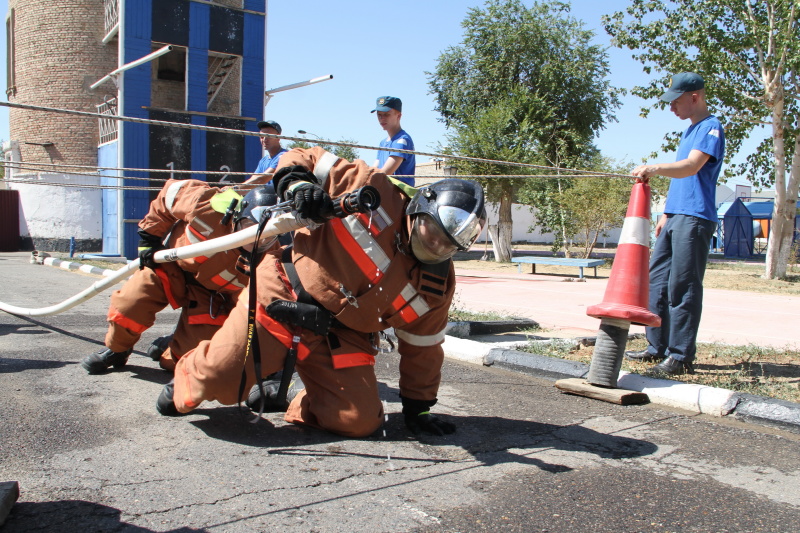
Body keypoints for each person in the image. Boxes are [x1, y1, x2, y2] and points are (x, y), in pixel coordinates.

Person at [156, 147, 486, 440]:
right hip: (285, 291)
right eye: (433, 234)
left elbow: (423, 346)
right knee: (223, 379)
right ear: (420, 208)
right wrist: (299, 185)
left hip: (340, 333)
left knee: (357, 421)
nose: (436, 246)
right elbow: (307, 157)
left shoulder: (435, 285)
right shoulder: (374, 190)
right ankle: (188, 377)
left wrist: (419, 407)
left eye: (448, 246)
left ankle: (307, 397)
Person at [81, 181, 279, 375]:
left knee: (188, 362)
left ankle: (170, 346)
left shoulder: (271, 257)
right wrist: (149, 238)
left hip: (210, 298)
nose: (254, 238)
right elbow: (170, 194)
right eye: (247, 226)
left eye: (266, 236)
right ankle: (117, 349)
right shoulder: (209, 204)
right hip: (170, 268)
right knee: (130, 305)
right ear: (238, 215)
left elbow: (252, 301)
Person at [625, 72, 725, 375]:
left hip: (695, 218)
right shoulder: (688, 131)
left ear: (694, 97)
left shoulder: (711, 128)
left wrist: (654, 167)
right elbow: (681, 179)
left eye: (676, 102)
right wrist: (665, 214)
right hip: (675, 217)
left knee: (684, 286)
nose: (672, 108)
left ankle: (680, 356)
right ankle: (657, 347)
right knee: (656, 282)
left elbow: (691, 167)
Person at [372, 96, 416, 186]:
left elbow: (384, 173)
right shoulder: (383, 143)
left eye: (386, 114)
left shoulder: (402, 140)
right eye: (379, 115)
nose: (382, 118)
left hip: (399, 195)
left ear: (398, 116)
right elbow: (374, 168)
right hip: (386, 191)